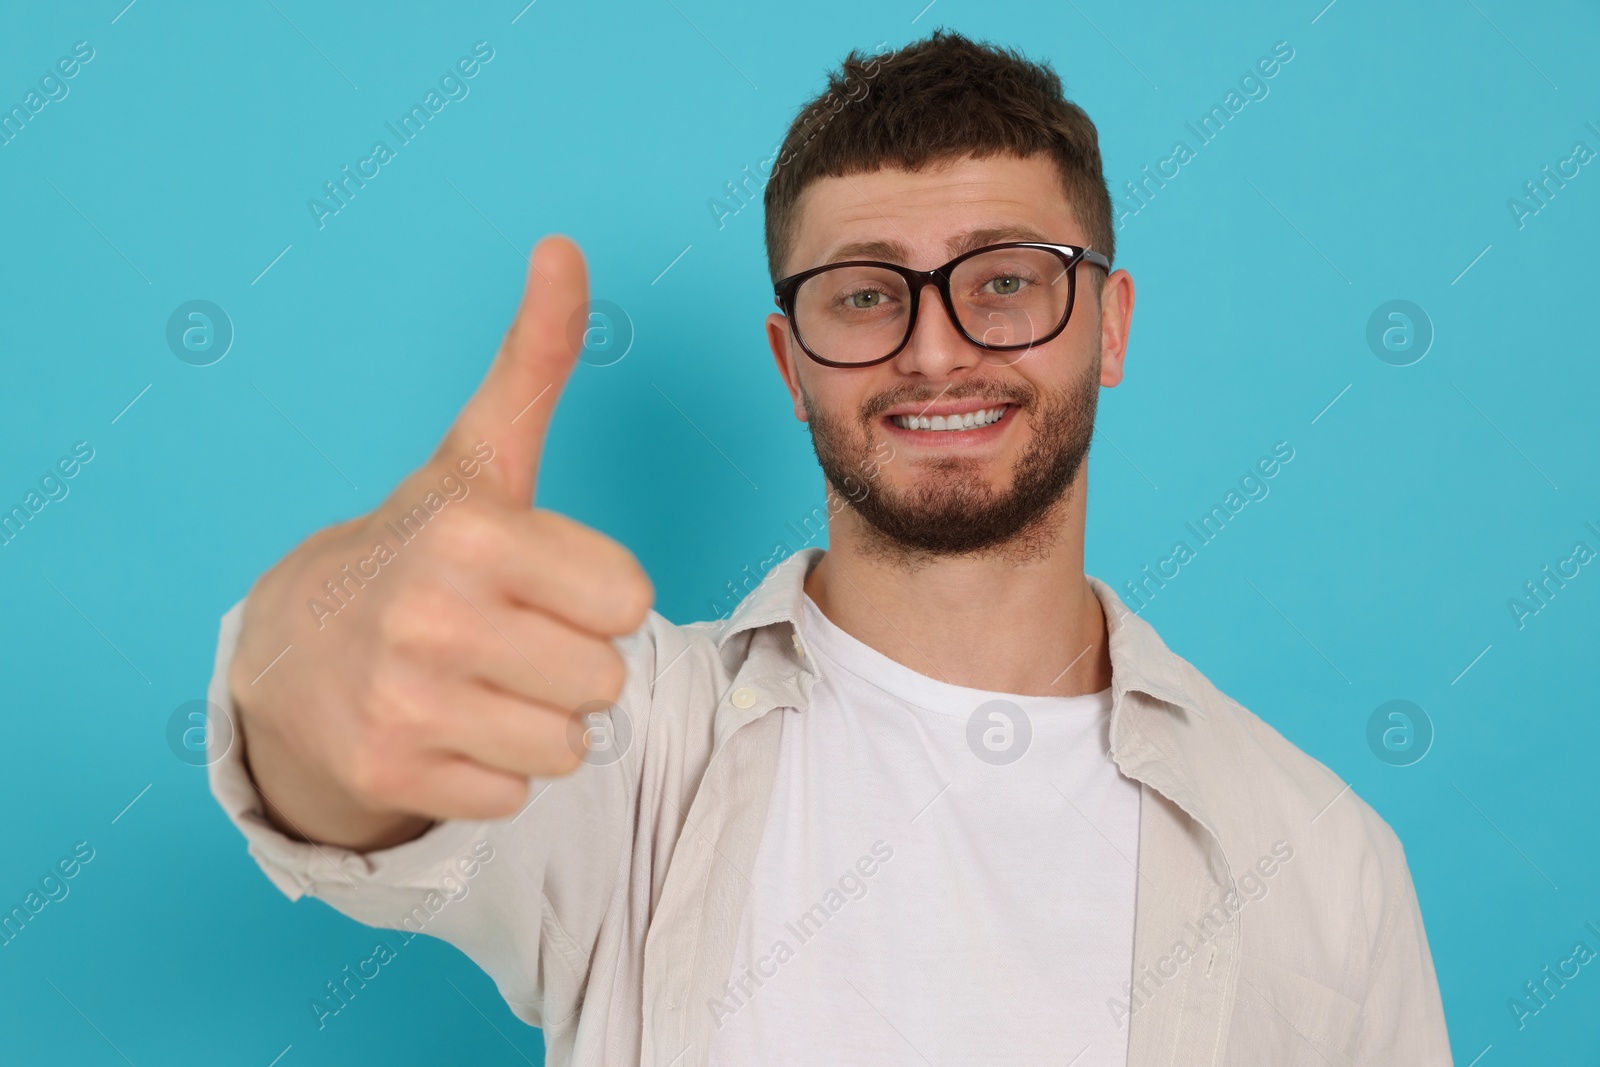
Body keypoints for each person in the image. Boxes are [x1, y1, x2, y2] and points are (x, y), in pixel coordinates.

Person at [206, 28, 1453, 1067]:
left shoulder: (1322, 860)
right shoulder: (625, 733)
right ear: (789, 364)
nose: (933, 347)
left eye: (1006, 281)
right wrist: (315, 658)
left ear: (1109, 326)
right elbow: (344, 782)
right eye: (863, 291)